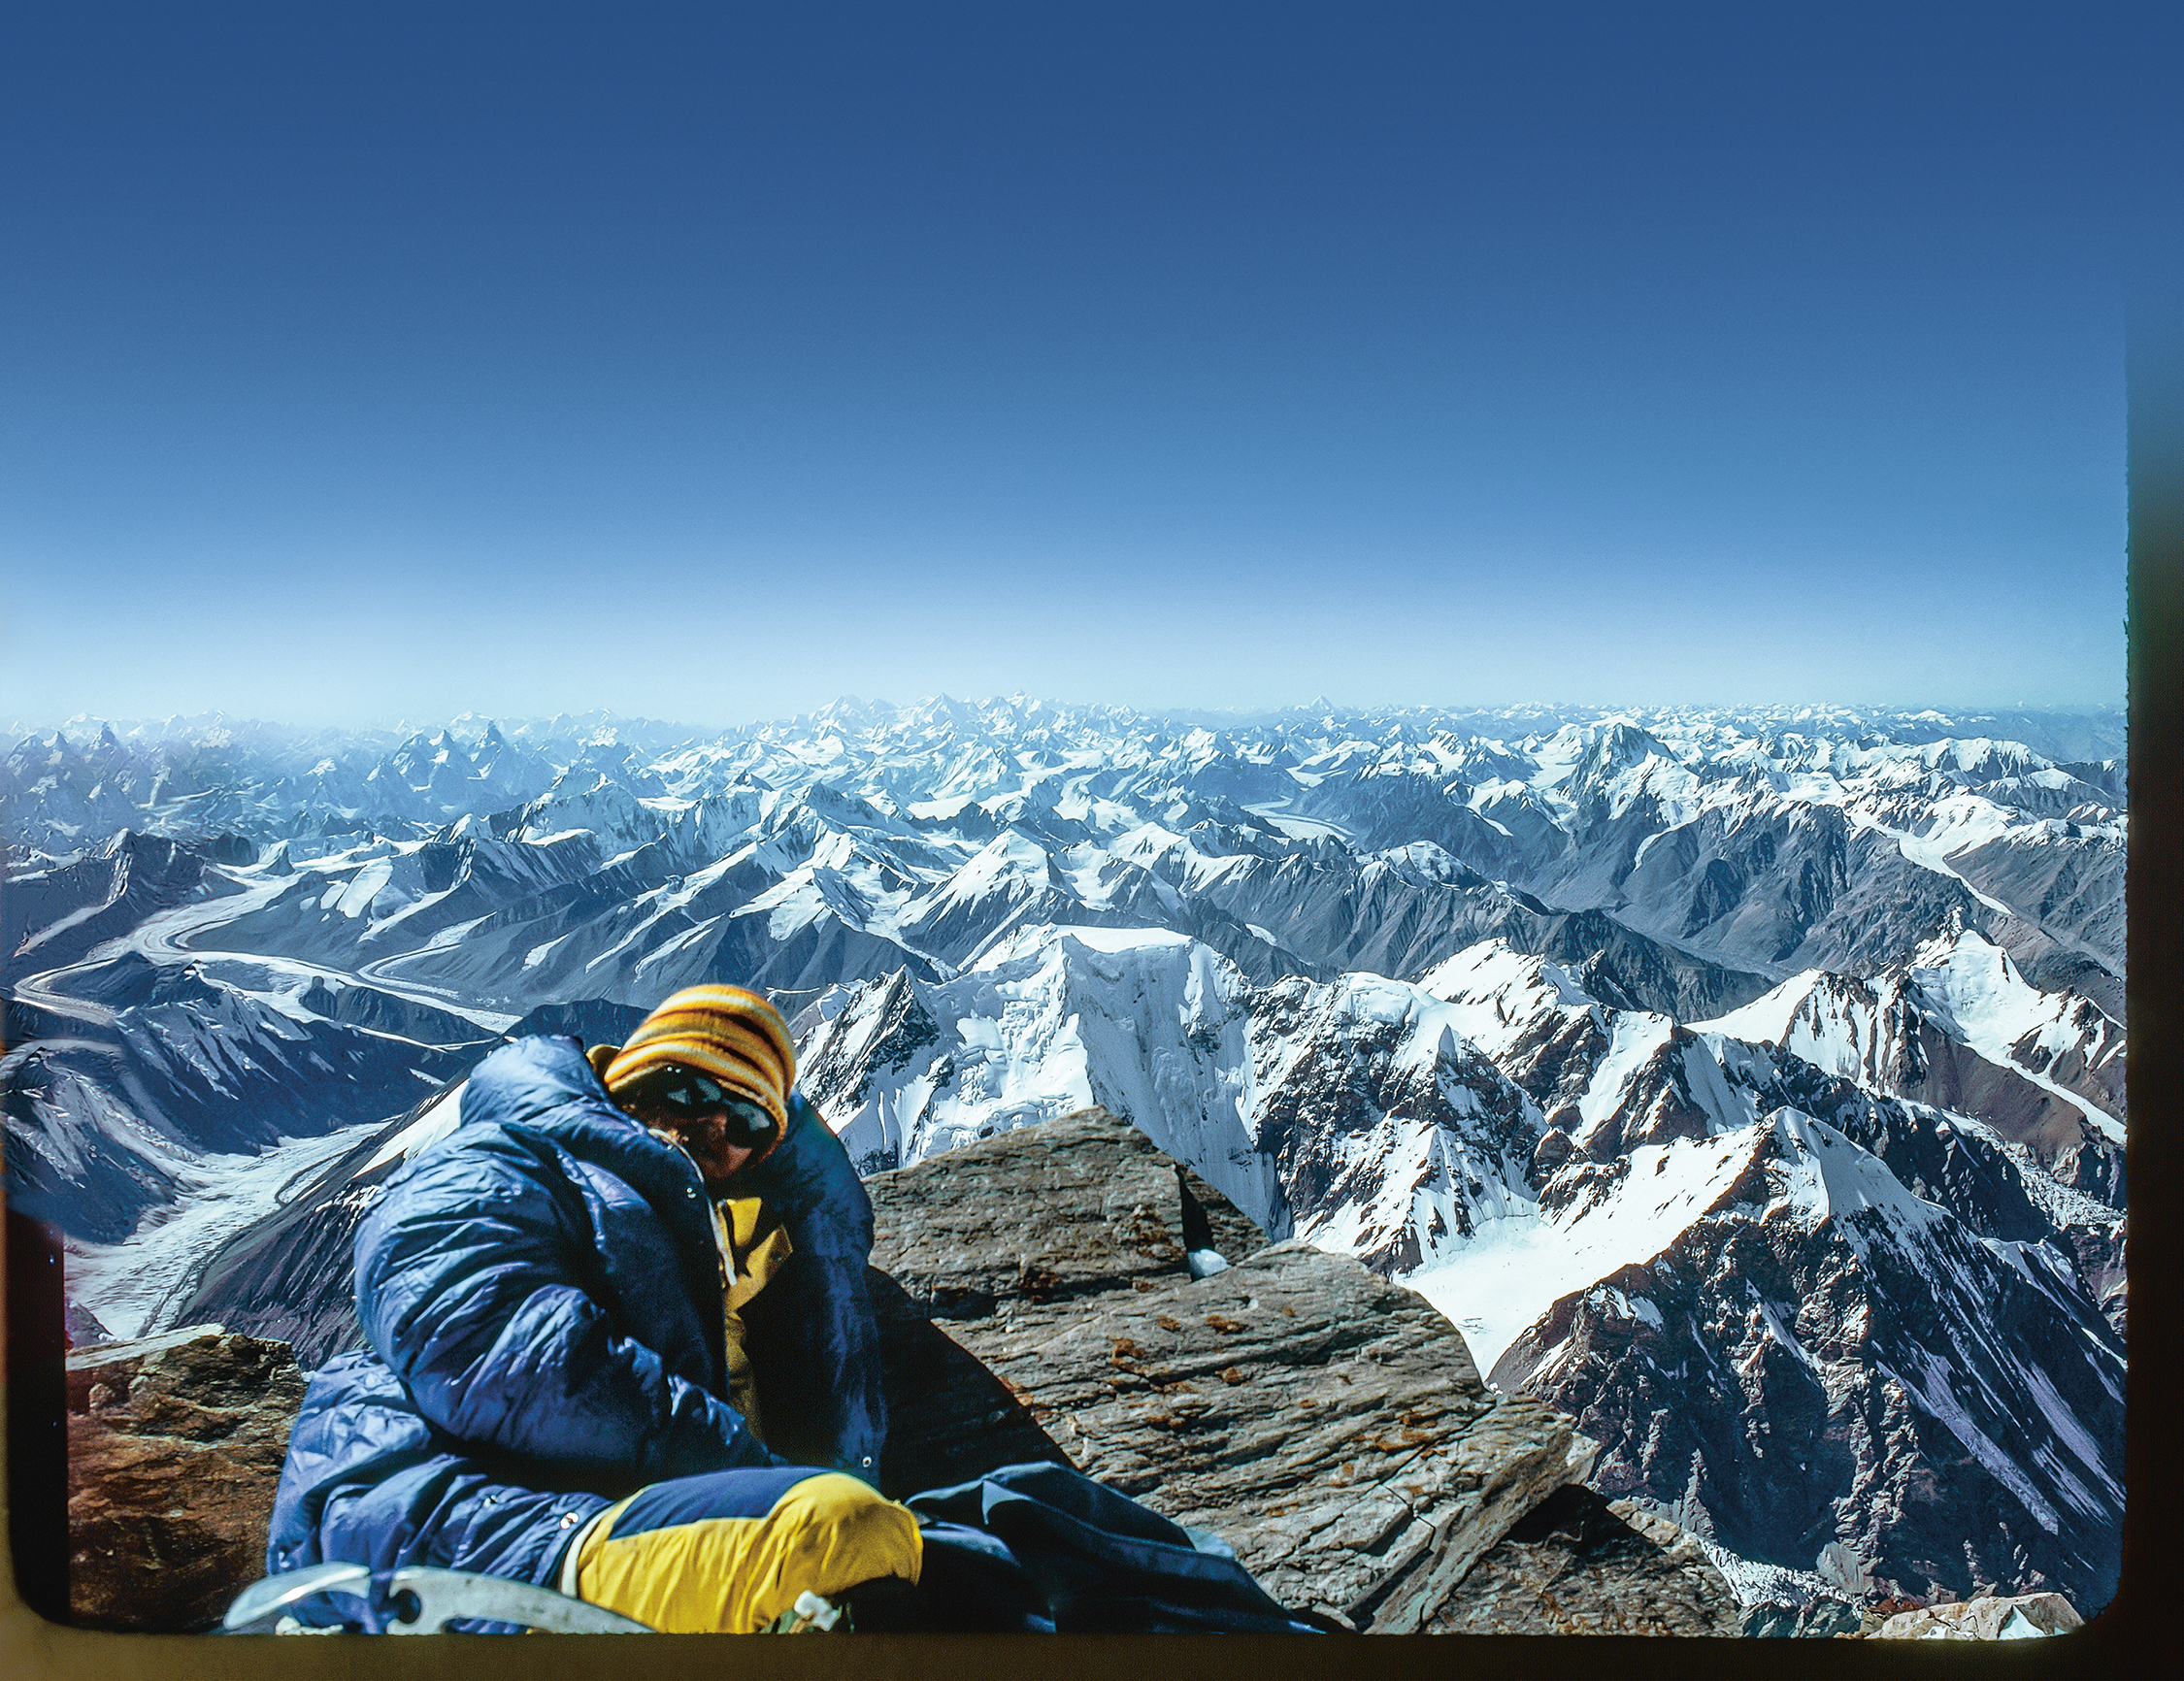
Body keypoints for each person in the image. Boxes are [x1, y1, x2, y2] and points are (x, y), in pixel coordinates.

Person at [266, 984, 915, 1632]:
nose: (714, 1125)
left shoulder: (753, 1248)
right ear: (624, 1083)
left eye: (747, 1121)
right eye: (689, 1089)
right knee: (837, 1532)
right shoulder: (501, 1161)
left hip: (603, 1521)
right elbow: (486, 1344)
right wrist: (754, 1475)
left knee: (989, 1539)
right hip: (447, 1522)